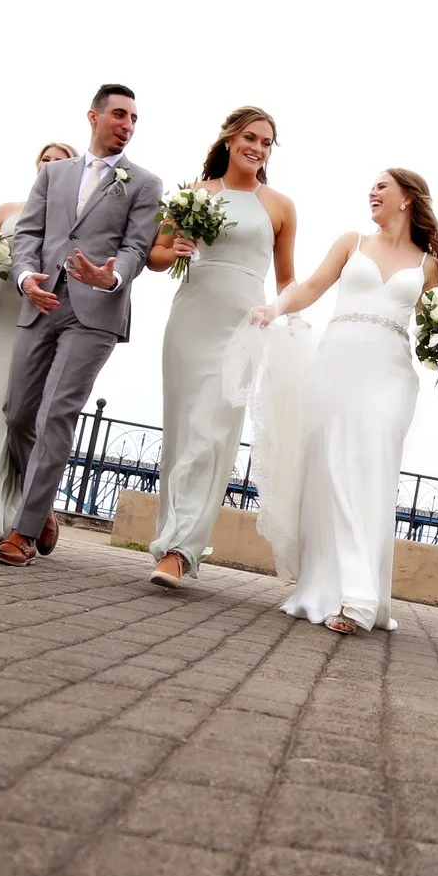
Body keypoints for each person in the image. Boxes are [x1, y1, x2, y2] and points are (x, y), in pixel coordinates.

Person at [245, 170, 438, 633]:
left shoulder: (429, 265)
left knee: (371, 470)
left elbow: (435, 324)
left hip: (391, 375)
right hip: (335, 365)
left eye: (382, 185)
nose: (372, 191)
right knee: (332, 468)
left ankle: (360, 595)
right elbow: (312, 286)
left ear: (406, 199)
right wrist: (274, 309)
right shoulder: (351, 242)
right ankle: (337, 590)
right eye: (371, 186)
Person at [0, 85, 163, 566]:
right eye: (120, 115)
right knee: (18, 413)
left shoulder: (144, 183)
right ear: (94, 116)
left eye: (134, 119)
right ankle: (39, 505)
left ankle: (22, 532)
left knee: (54, 415)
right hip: (40, 302)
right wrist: (24, 278)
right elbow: (29, 232)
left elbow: (135, 247)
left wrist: (112, 276)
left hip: (96, 312)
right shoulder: (55, 174)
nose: (127, 125)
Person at [148, 107, 297, 589]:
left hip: (243, 325)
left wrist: (277, 312)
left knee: (213, 433)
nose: (258, 147)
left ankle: (180, 549)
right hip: (192, 317)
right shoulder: (195, 193)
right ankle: (168, 537)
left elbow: (288, 280)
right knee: (183, 430)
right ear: (230, 140)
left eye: (267, 142)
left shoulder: (279, 206)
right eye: (250, 137)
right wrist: (178, 249)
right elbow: (156, 255)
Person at [0, 142, 77, 552]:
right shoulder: (5, 211)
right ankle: (31, 508)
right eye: (46, 159)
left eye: (61, 162)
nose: (51, 166)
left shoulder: (71, 223)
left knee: (1, 417)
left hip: (29, 321)